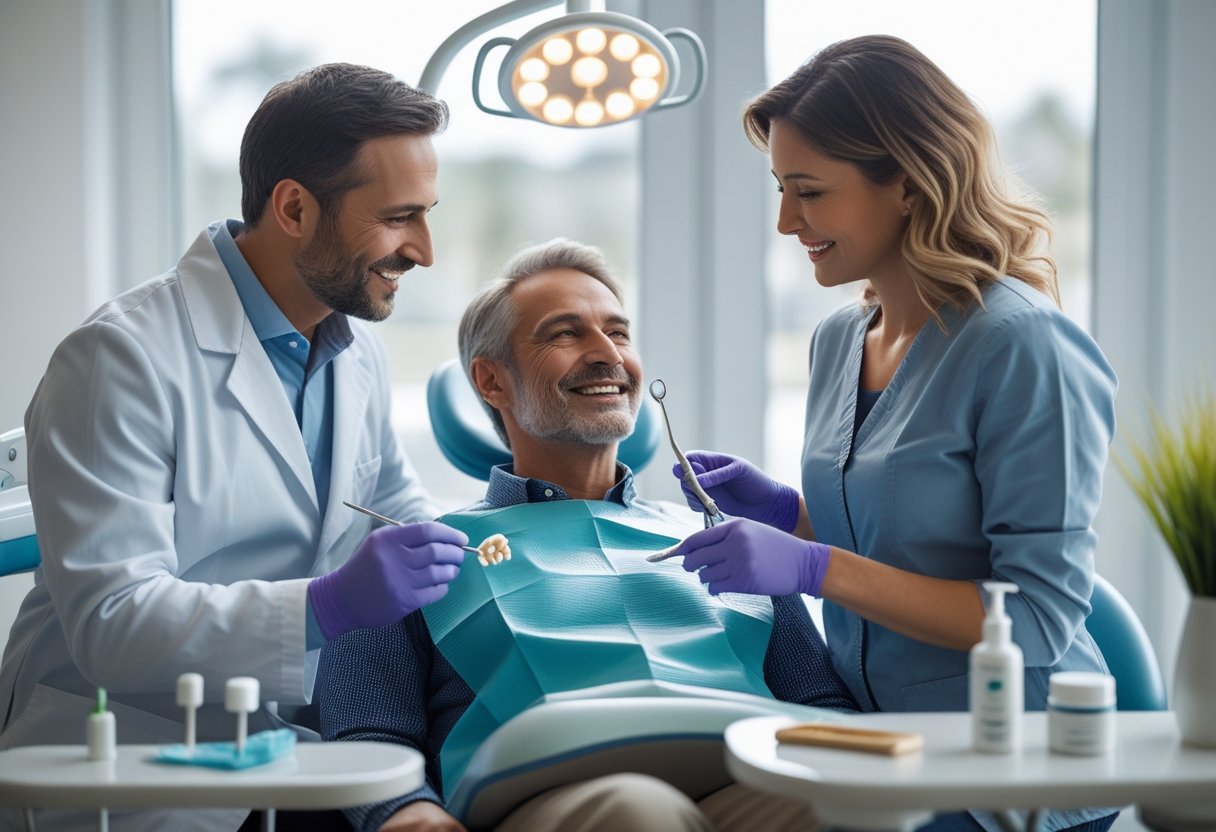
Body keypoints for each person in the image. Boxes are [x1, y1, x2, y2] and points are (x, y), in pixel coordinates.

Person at [0, 63, 468, 831]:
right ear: (293, 207)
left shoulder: (353, 346)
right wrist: (327, 605)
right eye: (398, 217)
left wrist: (498, 540)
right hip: (129, 761)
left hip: (286, 749)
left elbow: (392, 511)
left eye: (428, 214)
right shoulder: (118, 359)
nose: (424, 249)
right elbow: (112, 625)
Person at [669, 35, 1120, 832]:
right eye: (780, 188)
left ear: (907, 183)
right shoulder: (840, 340)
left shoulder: (1023, 347)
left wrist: (810, 565)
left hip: (1009, 777)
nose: (785, 221)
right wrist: (786, 515)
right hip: (879, 754)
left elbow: (1042, 619)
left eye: (807, 190)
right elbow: (896, 547)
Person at [319, 238, 859, 832]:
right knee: (638, 811)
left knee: (834, 807)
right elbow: (366, 727)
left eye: (619, 333)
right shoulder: (418, 556)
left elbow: (820, 706)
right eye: (564, 333)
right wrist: (403, 812)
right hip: (546, 795)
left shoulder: (731, 542)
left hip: (745, 777)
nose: (607, 355)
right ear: (491, 381)